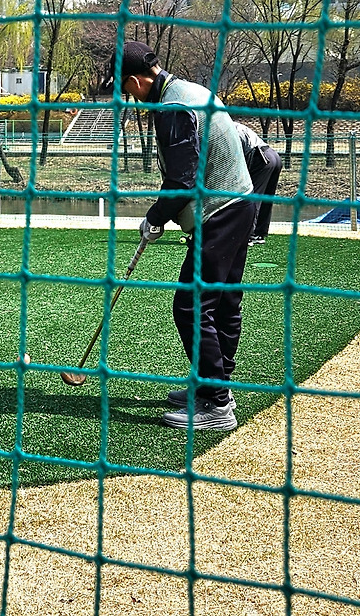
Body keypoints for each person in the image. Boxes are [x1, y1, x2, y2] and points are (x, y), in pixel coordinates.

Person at [100, 42, 254, 431]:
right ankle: (212, 385)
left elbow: (182, 180)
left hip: (220, 210)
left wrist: (155, 218)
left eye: (124, 88)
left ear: (135, 80)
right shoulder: (190, 90)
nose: (128, 96)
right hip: (240, 203)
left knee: (191, 306)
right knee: (223, 303)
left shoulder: (172, 106)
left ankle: (217, 404)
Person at [235, 121, 282, 245]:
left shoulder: (224, 130)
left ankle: (248, 235)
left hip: (261, 158)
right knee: (266, 198)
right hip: (273, 155)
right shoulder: (233, 125)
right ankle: (259, 233)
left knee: (252, 197)